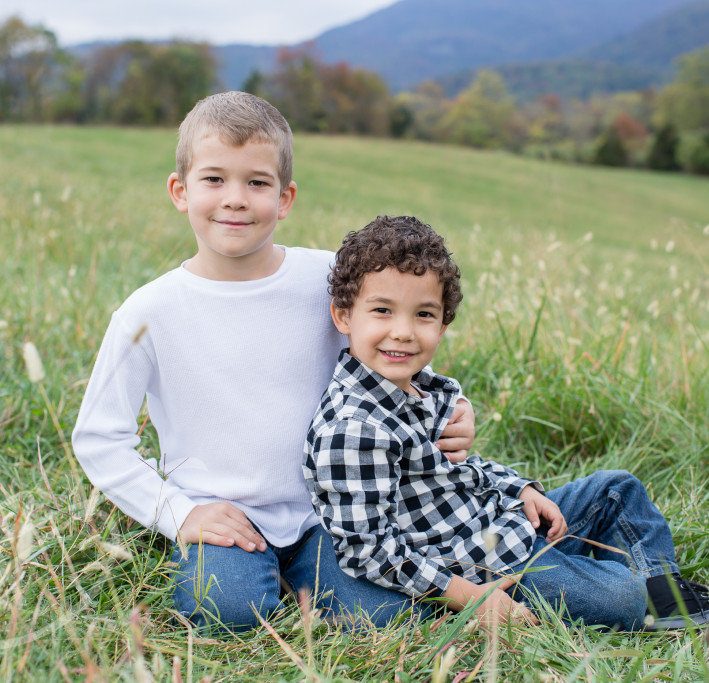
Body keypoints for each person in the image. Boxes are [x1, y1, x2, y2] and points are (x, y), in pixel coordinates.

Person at [70, 92, 476, 634]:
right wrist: (180, 513)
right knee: (226, 611)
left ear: (284, 198)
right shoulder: (148, 313)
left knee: (379, 617)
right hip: (224, 516)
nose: (235, 199)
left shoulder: (327, 279)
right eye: (214, 179)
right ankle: (244, 574)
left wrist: (450, 407)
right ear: (179, 190)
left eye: (256, 183)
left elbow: (392, 350)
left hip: (332, 511)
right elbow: (98, 436)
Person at [303, 215, 709, 631]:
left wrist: (520, 490)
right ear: (344, 316)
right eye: (382, 311)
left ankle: (667, 594)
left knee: (617, 489)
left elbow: (461, 471)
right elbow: (369, 552)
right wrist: (469, 597)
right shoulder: (354, 429)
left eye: (423, 314)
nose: (403, 331)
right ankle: (642, 594)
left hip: (497, 524)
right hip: (481, 569)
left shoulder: (423, 387)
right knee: (620, 599)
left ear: (443, 324)